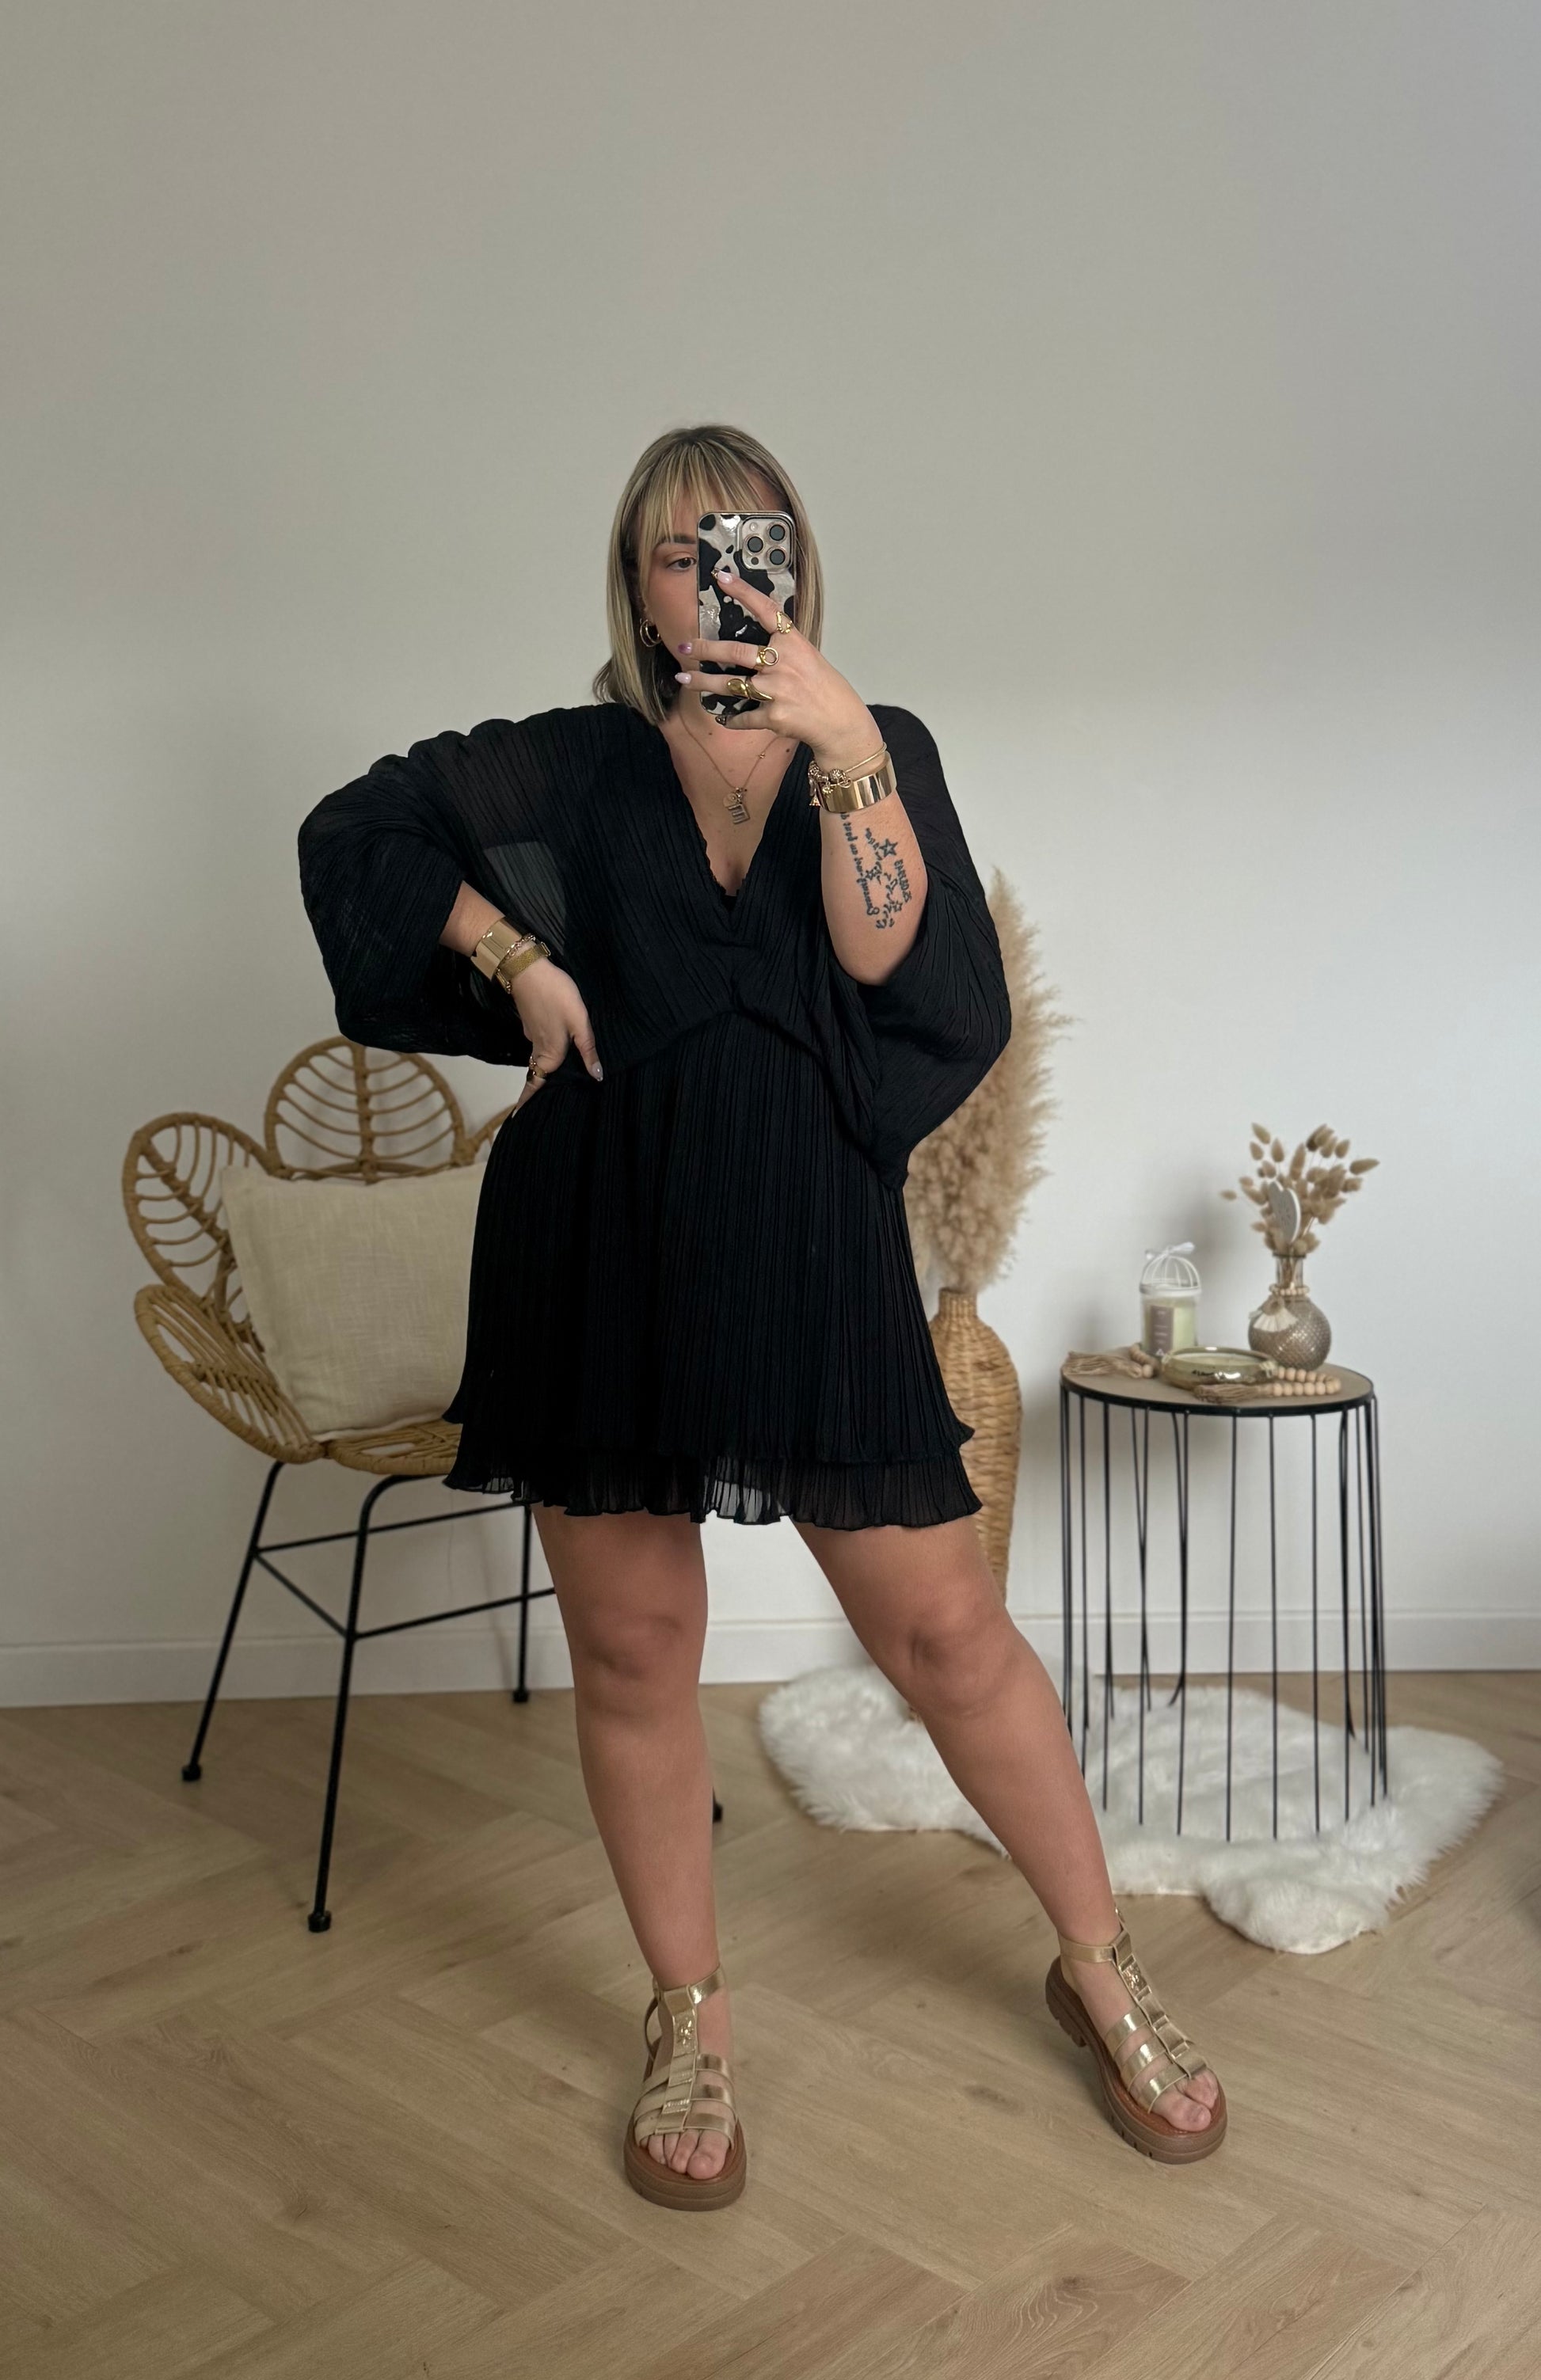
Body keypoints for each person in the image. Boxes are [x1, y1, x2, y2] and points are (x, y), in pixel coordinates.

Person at [298, 422, 1226, 2210]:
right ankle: (691, 2014)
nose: (719, 575)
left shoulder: (877, 745)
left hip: (809, 1236)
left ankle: (1099, 1963)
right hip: (597, 1235)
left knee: (946, 1634)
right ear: (637, 585)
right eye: (679, 549)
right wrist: (515, 958)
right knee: (637, 1649)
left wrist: (844, 742)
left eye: (751, 539)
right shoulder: (567, 761)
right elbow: (359, 831)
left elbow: (894, 962)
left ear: (794, 562)